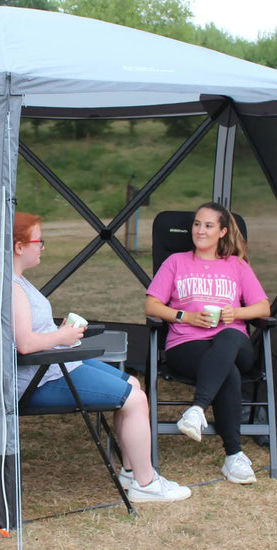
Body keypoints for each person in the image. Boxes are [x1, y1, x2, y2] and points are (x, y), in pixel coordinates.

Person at [12, 211, 190, 503]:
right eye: (39, 241)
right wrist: (62, 337)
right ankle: (146, 483)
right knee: (135, 399)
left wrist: (59, 332)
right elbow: (26, 344)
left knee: (132, 385)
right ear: (20, 247)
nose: (42, 246)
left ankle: (132, 471)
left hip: (53, 365)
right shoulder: (13, 287)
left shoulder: (18, 281)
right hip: (39, 379)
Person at [145, 202, 271, 484]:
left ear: (222, 232)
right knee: (229, 372)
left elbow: (263, 307)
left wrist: (235, 313)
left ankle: (197, 408)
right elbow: (152, 306)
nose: (200, 230)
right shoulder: (176, 262)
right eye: (197, 224)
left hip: (234, 343)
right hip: (187, 344)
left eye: (208, 225)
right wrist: (186, 316)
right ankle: (233, 457)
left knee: (228, 336)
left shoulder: (236, 266)